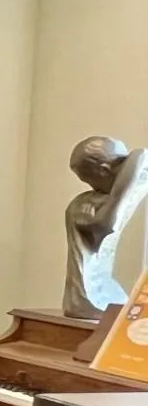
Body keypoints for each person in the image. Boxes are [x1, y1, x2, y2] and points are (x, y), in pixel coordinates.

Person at [64, 136, 148, 319]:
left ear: (104, 170)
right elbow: (105, 228)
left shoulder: (135, 183)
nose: (91, 187)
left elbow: (140, 155)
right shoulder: (83, 204)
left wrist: (115, 200)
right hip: (92, 295)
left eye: (89, 180)